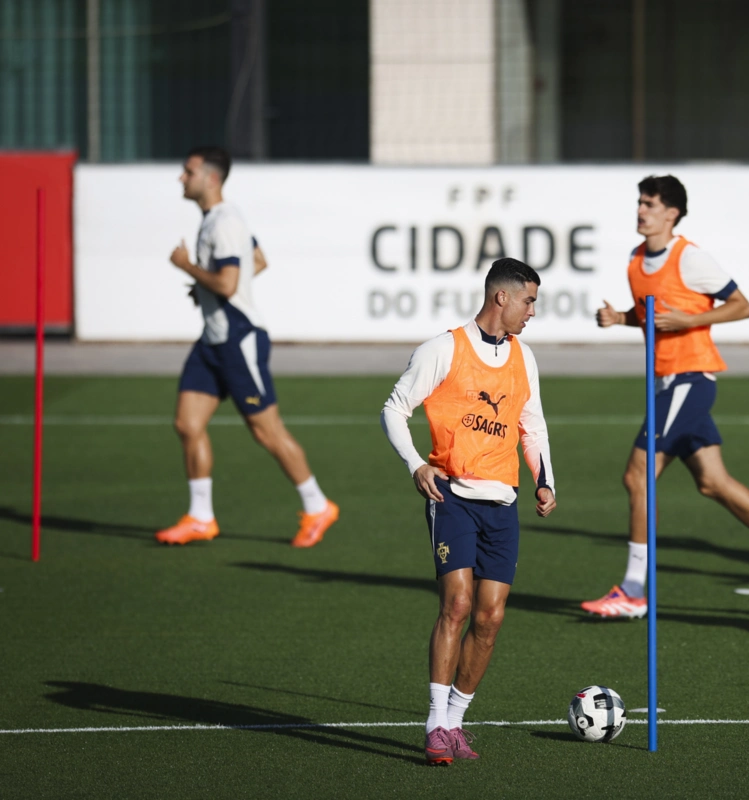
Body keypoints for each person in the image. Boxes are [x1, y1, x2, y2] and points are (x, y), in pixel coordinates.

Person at [582, 175, 749, 618]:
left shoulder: (690, 257)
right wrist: (621, 318)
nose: (641, 211)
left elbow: (741, 305)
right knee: (712, 482)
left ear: (671, 213)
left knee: (637, 477)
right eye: (639, 202)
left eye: (649, 204)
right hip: (666, 381)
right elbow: (652, 315)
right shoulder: (635, 260)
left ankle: (633, 590)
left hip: (690, 378)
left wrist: (689, 322)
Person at [380, 258, 556, 765]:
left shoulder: (525, 357)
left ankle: (457, 721)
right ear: (501, 297)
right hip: (452, 497)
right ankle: (436, 725)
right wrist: (416, 464)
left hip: (503, 504)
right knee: (456, 605)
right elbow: (394, 407)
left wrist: (545, 481)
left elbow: (533, 425)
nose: (532, 311)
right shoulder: (443, 348)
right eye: (529, 300)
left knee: (490, 618)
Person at [155, 146, 339, 547]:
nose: (181, 178)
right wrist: (202, 286)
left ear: (211, 178)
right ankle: (201, 517)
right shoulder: (217, 219)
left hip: (239, 340)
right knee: (187, 424)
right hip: (213, 340)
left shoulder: (224, 221)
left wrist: (187, 267)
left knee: (267, 432)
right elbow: (256, 259)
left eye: (188, 172)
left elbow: (227, 283)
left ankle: (317, 505)